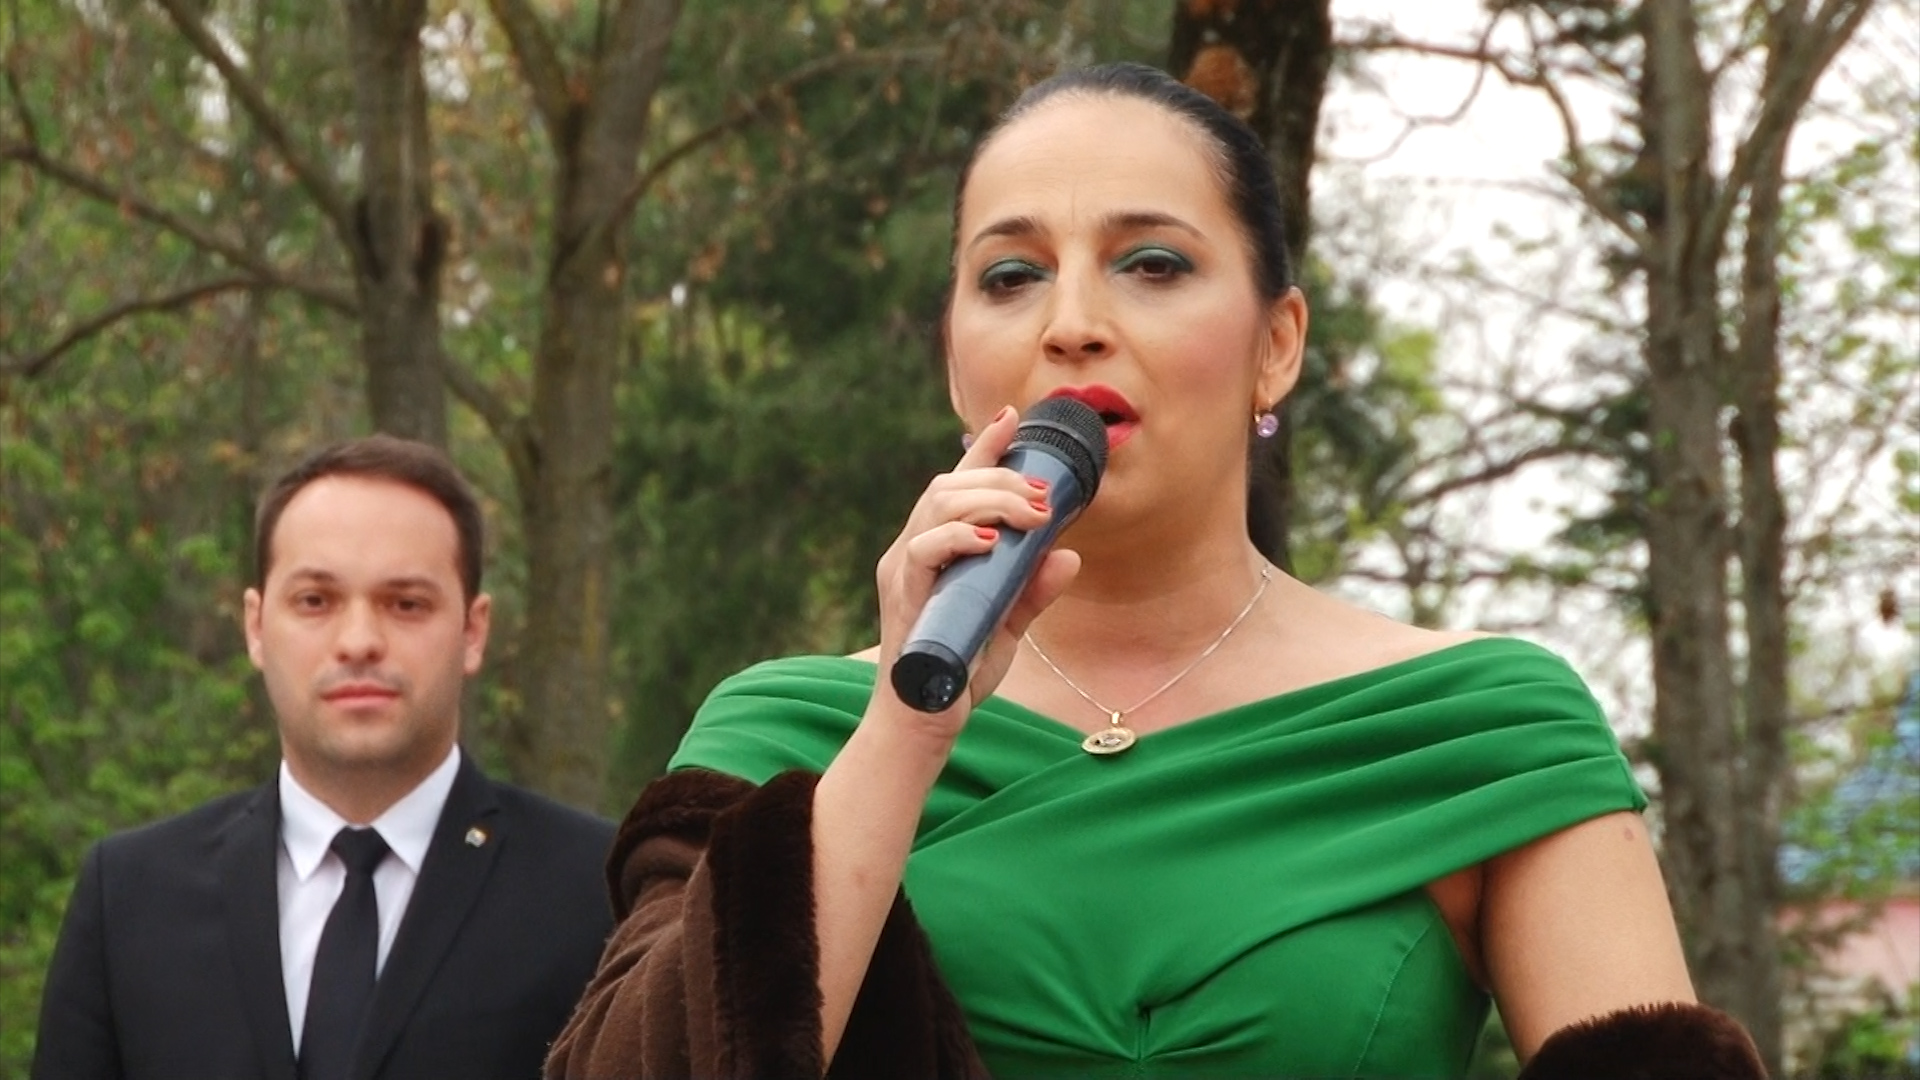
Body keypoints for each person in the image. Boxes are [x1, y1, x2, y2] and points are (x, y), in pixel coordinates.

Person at [545, 62, 1766, 1079]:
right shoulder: (783, 736)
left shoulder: (1479, 732)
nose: (1071, 321)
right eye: (1011, 275)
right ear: (957, 361)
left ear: (1276, 345)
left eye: (1152, 264)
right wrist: (906, 733)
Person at [34, 435, 616, 1080]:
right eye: (315, 601)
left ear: (473, 631)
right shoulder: (131, 901)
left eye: (406, 604)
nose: (359, 641)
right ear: (256, 627)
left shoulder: (601, 895)